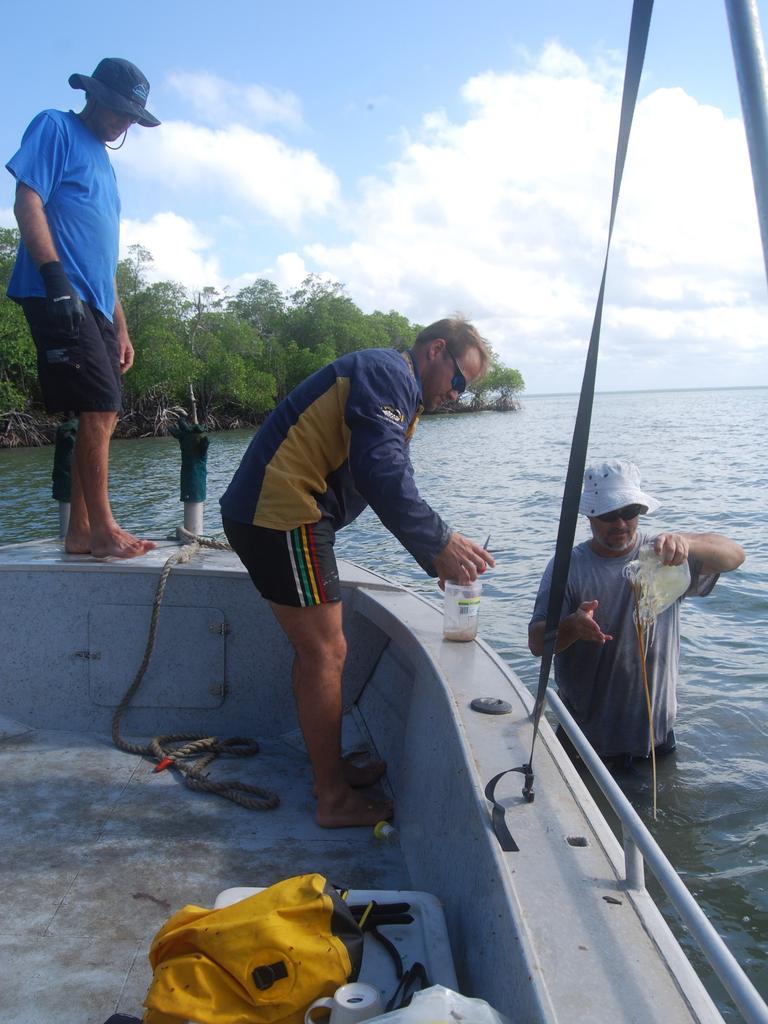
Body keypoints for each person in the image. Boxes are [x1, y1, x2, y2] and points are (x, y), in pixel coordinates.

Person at [220, 318, 496, 827]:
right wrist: (439, 543)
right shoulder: (388, 373)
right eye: (459, 381)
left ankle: (330, 771)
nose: (458, 396)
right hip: (282, 511)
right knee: (327, 651)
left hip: (280, 514)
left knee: (319, 650)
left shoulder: (399, 393)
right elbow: (381, 473)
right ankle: (333, 796)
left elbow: (389, 477)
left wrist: (434, 556)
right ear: (436, 351)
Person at [6, 58, 161, 559]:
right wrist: (54, 280)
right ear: (94, 97)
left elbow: (102, 253)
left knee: (104, 413)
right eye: (118, 110)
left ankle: (79, 531)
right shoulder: (56, 125)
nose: (123, 123)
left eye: (131, 117)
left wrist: (120, 324)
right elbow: (26, 199)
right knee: (100, 406)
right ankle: (103, 530)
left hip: (93, 302)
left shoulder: (106, 165)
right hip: (56, 290)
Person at [528, 459, 745, 766]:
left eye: (628, 512)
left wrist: (688, 542)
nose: (620, 523)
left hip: (656, 742)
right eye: (608, 514)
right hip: (584, 743)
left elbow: (735, 556)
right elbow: (537, 643)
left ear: (641, 511)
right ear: (590, 514)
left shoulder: (663, 556)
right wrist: (573, 628)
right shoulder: (566, 567)